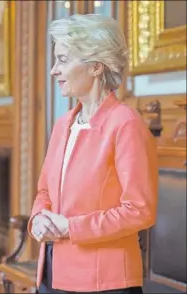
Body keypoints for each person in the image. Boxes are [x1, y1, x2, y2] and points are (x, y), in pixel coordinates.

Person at [28, 14, 158, 294]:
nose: (53, 70)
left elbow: (140, 211)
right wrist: (38, 218)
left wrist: (70, 227)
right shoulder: (63, 124)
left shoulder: (126, 123)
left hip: (104, 282)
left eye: (62, 60)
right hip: (51, 274)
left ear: (96, 66)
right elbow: (44, 192)